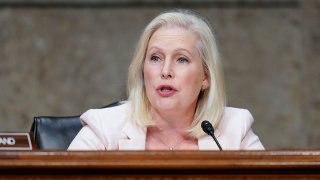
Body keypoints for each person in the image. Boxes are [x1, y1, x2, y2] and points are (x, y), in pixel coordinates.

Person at [68, 10, 264, 150]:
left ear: (206, 76)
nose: (166, 71)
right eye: (155, 58)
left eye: (181, 59)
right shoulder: (104, 129)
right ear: (142, 70)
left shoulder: (235, 131)